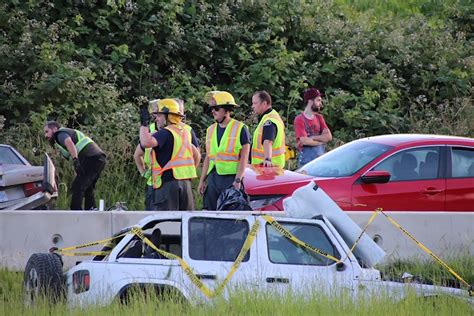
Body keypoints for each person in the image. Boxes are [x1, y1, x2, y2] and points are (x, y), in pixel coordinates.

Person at [139, 98, 199, 210]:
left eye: (160, 115)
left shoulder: (165, 133)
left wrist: (144, 123)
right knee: (184, 222)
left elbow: (146, 142)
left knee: (166, 222)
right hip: (185, 184)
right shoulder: (184, 132)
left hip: (168, 185)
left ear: (168, 116)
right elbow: (197, 155)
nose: (156, 118)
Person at [198, 91, 250, 210]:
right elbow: (208, 157)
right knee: (210, 213)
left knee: (229, 215)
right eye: (211, 108)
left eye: (216, 108)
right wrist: (202, 180)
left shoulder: (240, 128)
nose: (213, 111)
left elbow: (244, 158)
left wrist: (238, 180)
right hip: (213, 179)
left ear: (227, 110)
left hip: (230, 180)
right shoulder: (210, 130)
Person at [43, 121, 106, 210]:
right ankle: (91, 210)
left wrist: (75, 160)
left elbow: (69, 143)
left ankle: (76, 213)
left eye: (47, 132)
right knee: (88, 188)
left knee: (77, 187)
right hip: (98, 158)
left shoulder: (59, 134)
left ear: (54, 129)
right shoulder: (62, 136)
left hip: (90, 157)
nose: (46, 136)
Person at [133, 99, 164, 210]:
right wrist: (143, 172)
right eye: (154, 113)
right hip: (152, 181)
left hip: (168, 181)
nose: (156, 116)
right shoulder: (149, 129)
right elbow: (137, 154)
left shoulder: (171, 130)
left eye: (158, 113)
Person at [294, 88, 332, 167]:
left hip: (320, 162)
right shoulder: (299, 119)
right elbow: (304, 141)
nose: (320, 104)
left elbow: (328, 137)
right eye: (318, 100)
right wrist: (321, 141)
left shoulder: (319, 117)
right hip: (305, 164)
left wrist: (312, 137)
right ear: (310, 101)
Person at [250, 90, 286, 168]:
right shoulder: (273, 116)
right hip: (272, 168)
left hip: (268, 168)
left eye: (255, 103)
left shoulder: (269, 121)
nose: (252, 106)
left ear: (264, 103)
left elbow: (268, 141)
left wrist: (267, 159)